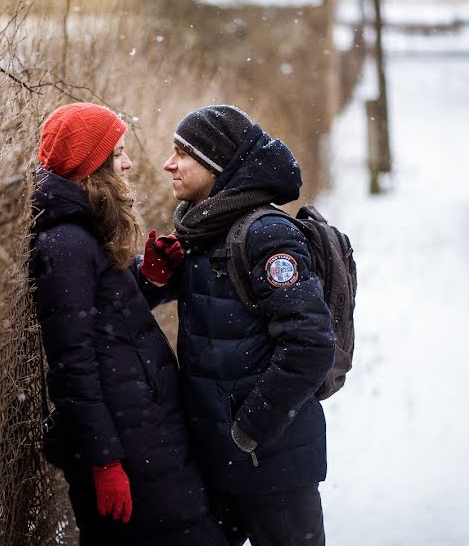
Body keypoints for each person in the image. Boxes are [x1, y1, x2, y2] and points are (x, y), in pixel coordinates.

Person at [29, 102, 228, 546]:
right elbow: (73, 365)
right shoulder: (64, 245)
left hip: (147, 432)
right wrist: (104, 463)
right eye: (117, 153)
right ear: (90, 166)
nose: (129, 162)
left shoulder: (85, 231)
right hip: (128, 445)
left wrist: (148, 276)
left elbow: (107, 316)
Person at [137, 105, 336, 546]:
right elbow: (132, 301)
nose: (169, 163)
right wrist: (148, 277)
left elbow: (310, 344)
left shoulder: (266, 234)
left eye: (182, 153)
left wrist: (250, 431)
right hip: (219, 460)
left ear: (216, 163)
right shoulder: (206, 232)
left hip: (271, 466)